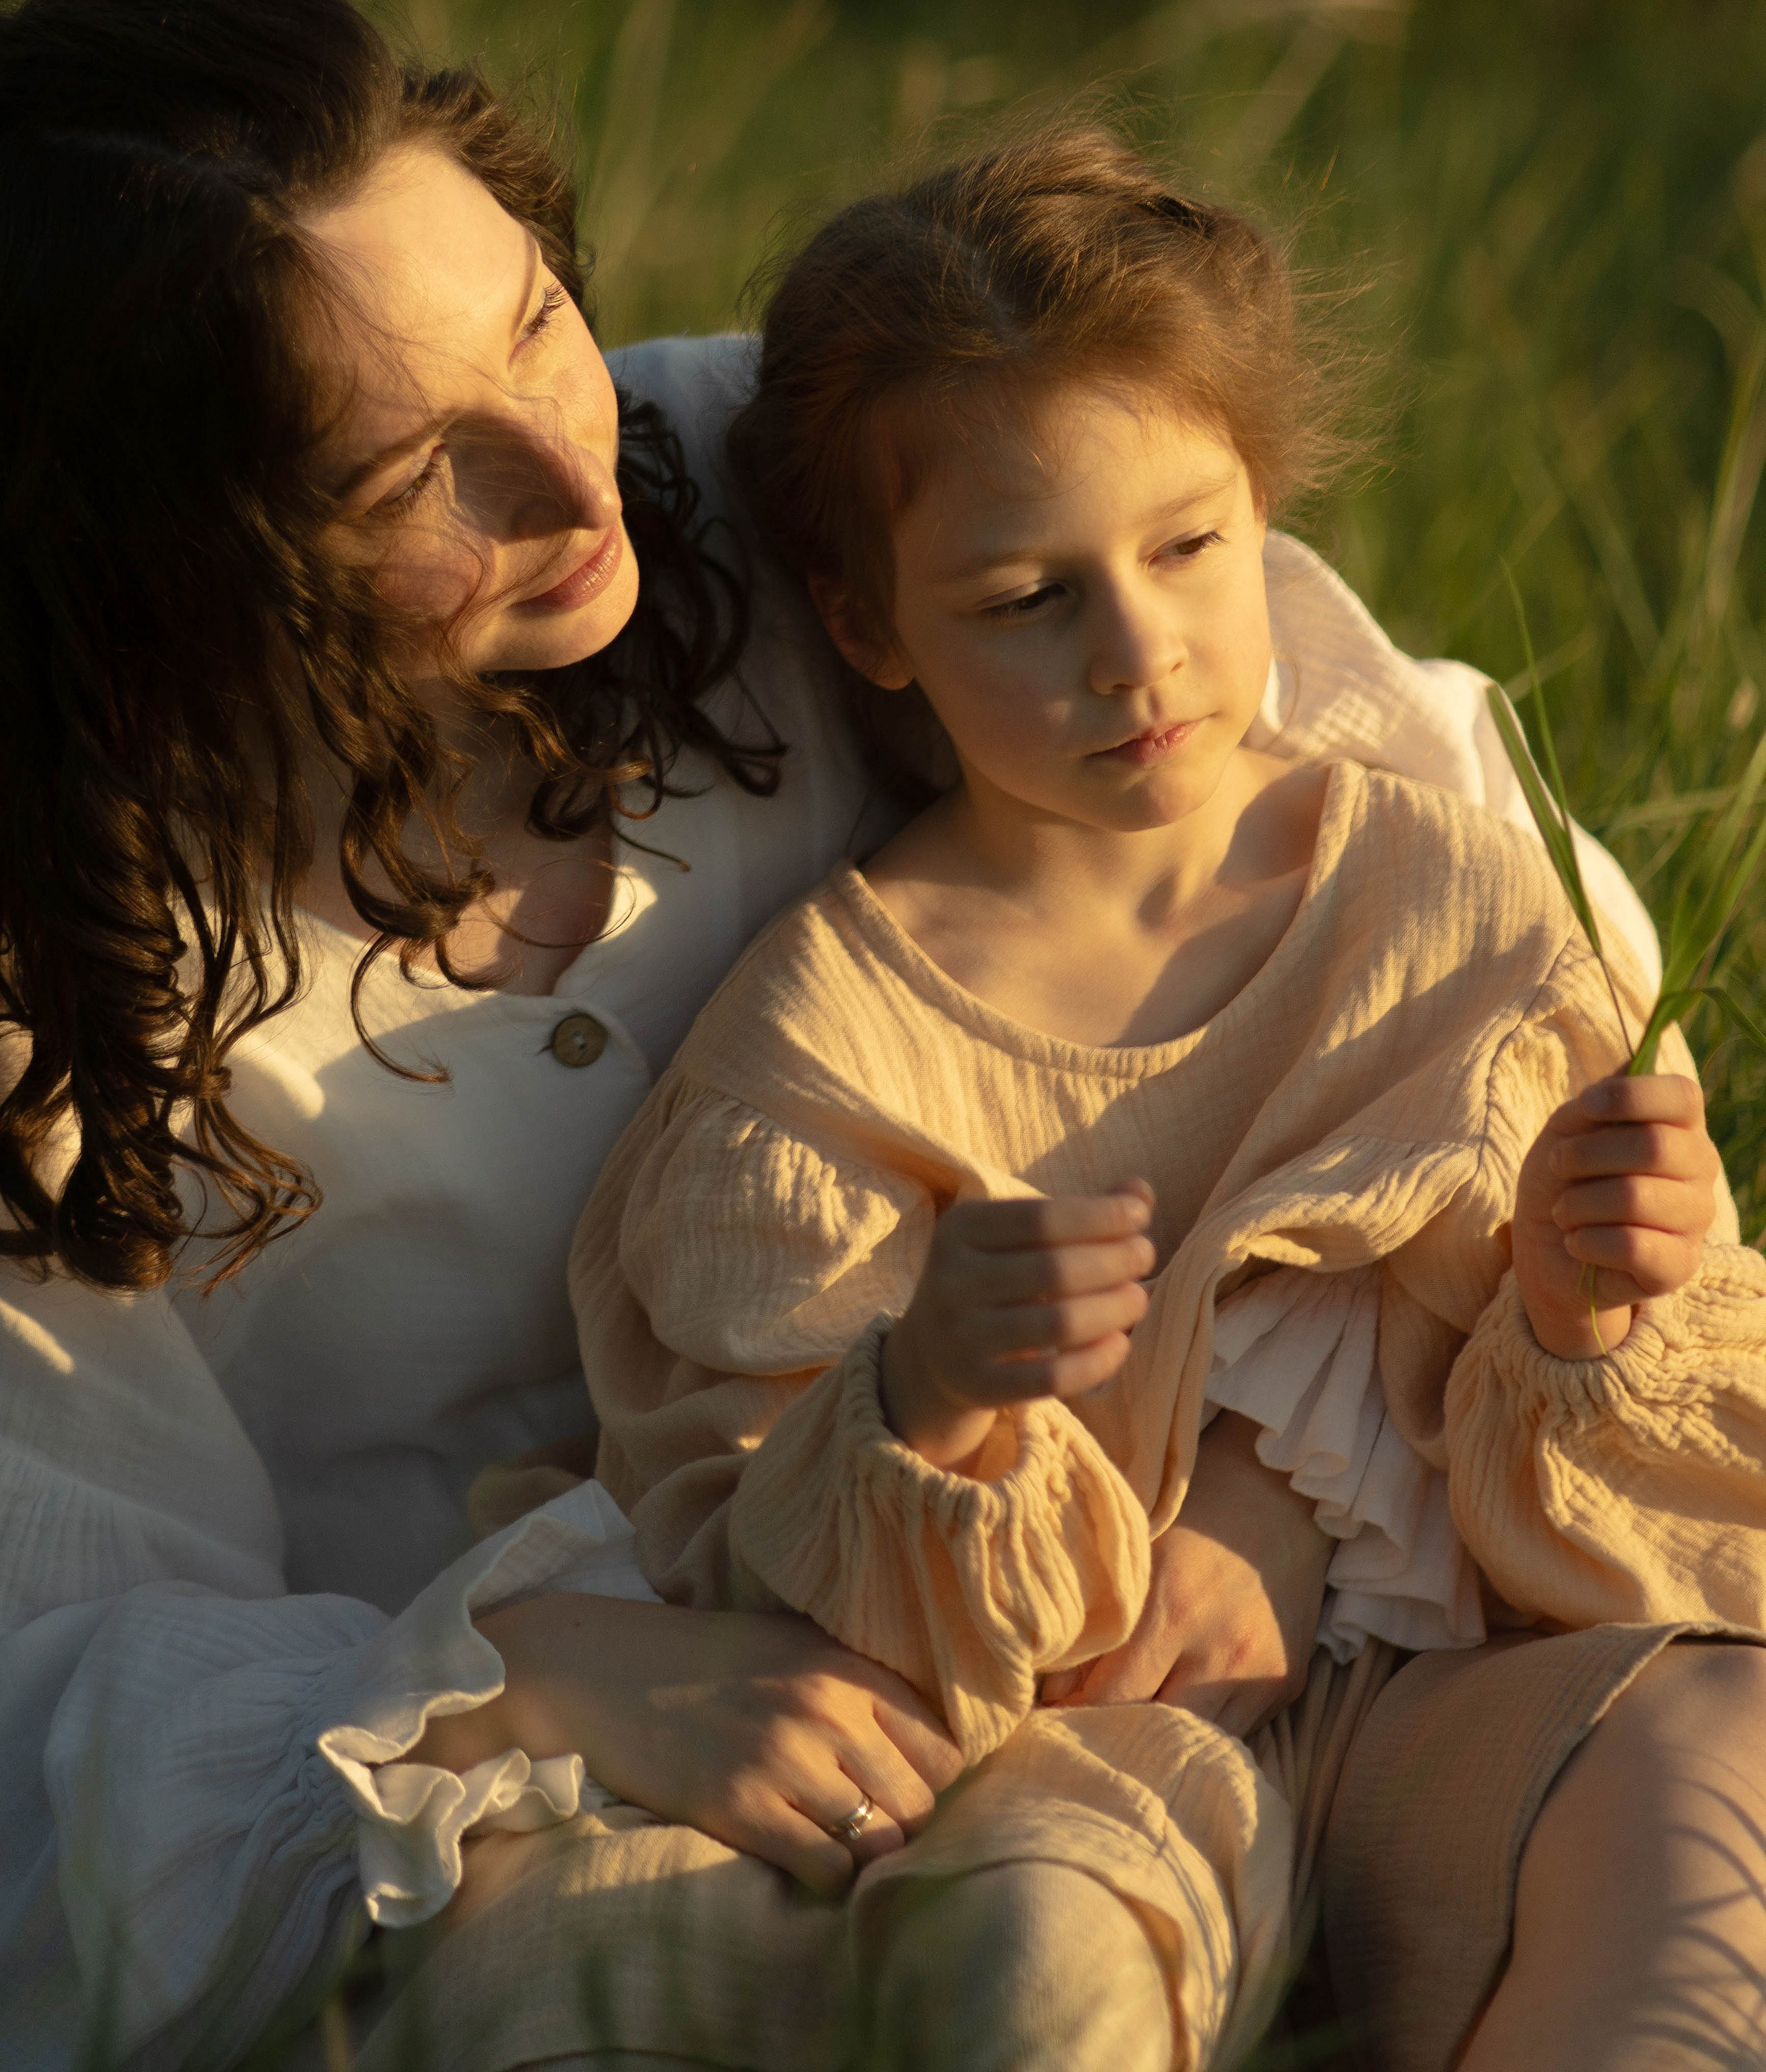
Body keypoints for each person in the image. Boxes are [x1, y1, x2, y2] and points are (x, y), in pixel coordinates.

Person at [0, 0, 1755, 2072]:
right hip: (552, 1816)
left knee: (1709, 1779)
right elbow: (51, 1675)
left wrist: (1285, 1486)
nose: (572, 478)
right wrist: (538, 1681)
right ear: (166, 567)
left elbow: (1384, 922)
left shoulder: (754, 491)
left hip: (1161, 1641)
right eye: (408, 481)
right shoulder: (58, 974)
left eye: (538, 316)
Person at [557, 130, 1766, 2072]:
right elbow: (750, 1558)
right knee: (1037, 1968)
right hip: (1062, 1749)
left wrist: (1584, 1307)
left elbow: (1619, 1507)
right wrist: (925, 1397)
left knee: (1723, 1746)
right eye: (1026, 597)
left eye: (1189, 548)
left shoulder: (1447, 903)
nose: (1138, 654)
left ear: (1263, 511)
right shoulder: (825, 1052)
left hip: (1430, 1702)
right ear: (871, 629)